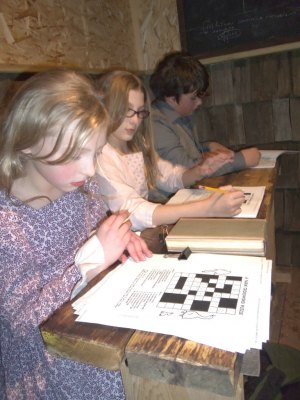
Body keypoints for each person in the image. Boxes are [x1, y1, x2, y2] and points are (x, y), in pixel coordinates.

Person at [0, 69, 152, 400]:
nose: (90, 169)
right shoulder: (7, 225)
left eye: (95, 152)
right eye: (75, 154)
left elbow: (100, 230)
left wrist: (119, 234)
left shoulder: (79, 187)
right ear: (26, 143)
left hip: (87, 316)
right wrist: (92, 261)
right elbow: (23, 324)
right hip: (40, 359)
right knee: (125, 377)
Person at [96, 70, 245, 232]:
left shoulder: (137, 143)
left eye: (140, 111)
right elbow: (130, 212)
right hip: (120, 240)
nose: (135, 120)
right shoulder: (100, 156)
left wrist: (200, 170)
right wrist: (207, 208)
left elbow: (167, 176)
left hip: (140, 233)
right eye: (127, 109)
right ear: (105, 107)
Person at [149, 51, 261, 172]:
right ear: (172, 99)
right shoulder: (156, 124)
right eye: (193, 98)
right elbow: (186, 170)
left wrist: (208, 147)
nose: (199, 102)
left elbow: (186, 150)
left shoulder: (178, 113)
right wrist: (241, 160)